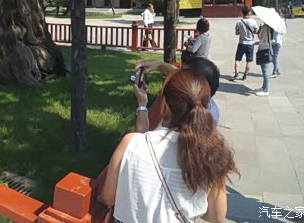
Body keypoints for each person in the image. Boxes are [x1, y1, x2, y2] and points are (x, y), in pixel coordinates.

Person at [100, 70, 238, 223]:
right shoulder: (210, 154)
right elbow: (216, 216)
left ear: (164, 104)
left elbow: (107, 197)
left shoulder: (130, 143)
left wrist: (142, 105)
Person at [134, 57, 221, 130]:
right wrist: (160, 64)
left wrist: (142, 106)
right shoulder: (208, 108)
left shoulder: (172, 114)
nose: (177, 76)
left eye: (181, 75)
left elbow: (141, 139)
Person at [232, 6, 258, 81]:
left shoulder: (239, 22)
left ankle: (236, 75)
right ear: (249, 12)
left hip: (241, 43)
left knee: (237, 59)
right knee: (249, 61)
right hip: (250, 44)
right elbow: (256, 32)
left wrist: (242, 31)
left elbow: (236, 33)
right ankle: (245, 76)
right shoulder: (253, 21)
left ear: (242, 12)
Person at [253, 22, 274, 96]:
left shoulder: (265, 27)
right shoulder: (270, 27)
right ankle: (263, 87)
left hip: (264, 49)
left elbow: (260, 37)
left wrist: (259, 30)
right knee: (264, 70)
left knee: (265, 71)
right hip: (266, 48)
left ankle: (265, 90)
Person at [271, 9, 286, 78]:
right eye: (278, 12)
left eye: (280, 12)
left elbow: (279, 30)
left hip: (277, 42)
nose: (278, 13)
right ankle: (277, 69)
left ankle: (275, 72)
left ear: (283, 14)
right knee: (272, 57)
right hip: (274, 41)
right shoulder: (278, 20)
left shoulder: (281, 21)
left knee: (275, 57)